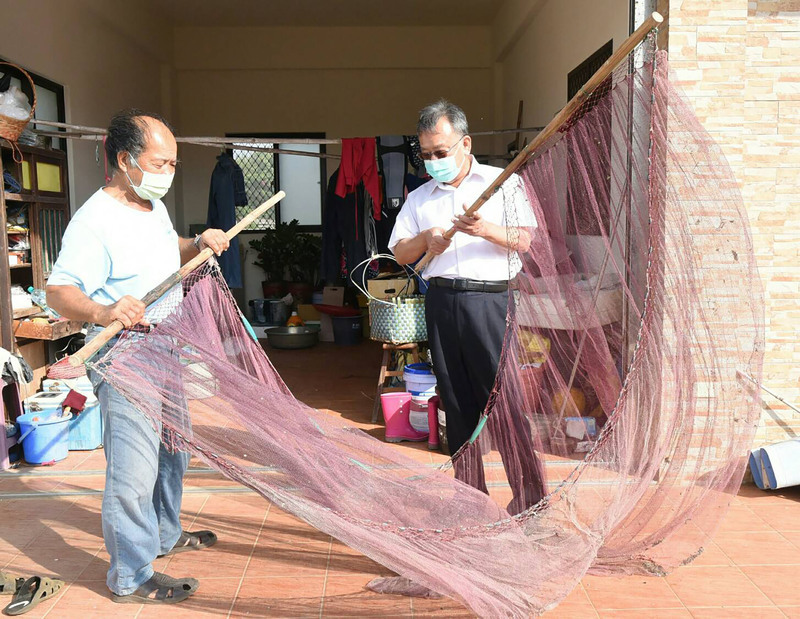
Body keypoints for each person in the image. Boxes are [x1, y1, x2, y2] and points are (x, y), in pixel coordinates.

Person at [46, 110, 229, 604]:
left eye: (173, 163)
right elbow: (58, 291)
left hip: (167, 342)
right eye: (160, 162)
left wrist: (198, 242)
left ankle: (165, 534)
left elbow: (169, 248)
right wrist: (105, 310)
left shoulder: (150, 205)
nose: (168, 173)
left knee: (174, 451)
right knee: (134, 468)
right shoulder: (94, 221)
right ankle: (131, 573)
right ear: (125, 160)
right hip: (126, 355)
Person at [389, 99, 545, 514]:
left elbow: (527, 240)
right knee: (457, 405)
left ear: (465, 143)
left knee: (504, 402)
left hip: (491, 301)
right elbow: (402, 253)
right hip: (442, 302)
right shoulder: (420, 197)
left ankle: (532, 501)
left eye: (441, 152)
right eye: (426, 155)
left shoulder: (501, 182)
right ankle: (472, 502)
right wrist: (428, 239)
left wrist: (487, 229)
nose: (434, 161)